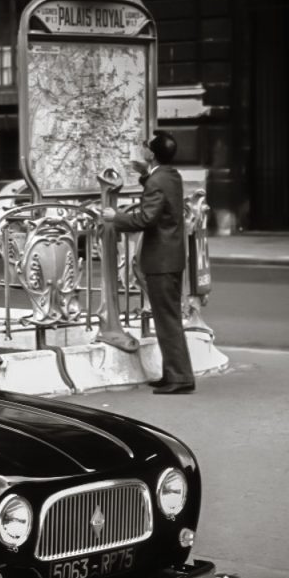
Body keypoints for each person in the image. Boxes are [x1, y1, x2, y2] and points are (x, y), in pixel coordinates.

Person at [102, 129, 195, 394]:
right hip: (172, 257)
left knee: (167, 321)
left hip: (161, 259)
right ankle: (174, 374)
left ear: (151, 153)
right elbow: (157, 189)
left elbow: (146, 219)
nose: (141, 148)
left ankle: (180, 378)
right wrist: (144, 173)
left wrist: (115, 217)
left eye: (145, 146)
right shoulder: (170, 175)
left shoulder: (158, 181)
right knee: (169, 319)